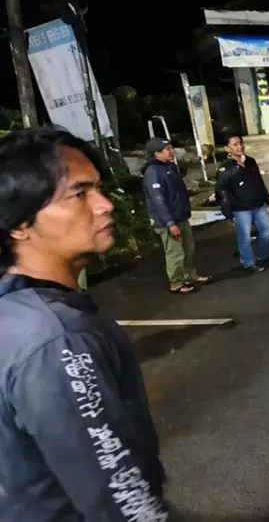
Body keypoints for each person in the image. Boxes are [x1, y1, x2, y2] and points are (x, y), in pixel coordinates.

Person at [0, 127, 173, 520]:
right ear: (18, 223)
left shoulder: (14, 308)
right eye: (79, 194)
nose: (105, 205)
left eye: (98, 188)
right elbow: (120, 499)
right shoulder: (58, 339)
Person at [142, 137, 210, 294]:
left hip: (179, 216)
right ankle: (176, 283)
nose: (172, 151)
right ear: (157, 154)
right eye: (168, 149)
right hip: (168, 220)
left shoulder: (168, 167)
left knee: (188, 248)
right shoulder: (153, 173)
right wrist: (170, 223)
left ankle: (190, 275)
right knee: (175, 252)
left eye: (172, 148)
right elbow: (159, 200)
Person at [215, 135, 269, 274]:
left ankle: (262, 256)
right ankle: (248, 262)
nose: (239, 146)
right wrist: (228, 213)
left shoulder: (250, 161)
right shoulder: (225, 170)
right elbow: (221, 192)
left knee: (266, 230)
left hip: (258, 205)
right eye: (235, 144)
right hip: (240, 209)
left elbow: (259, 183)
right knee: (245, 237)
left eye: (241, 143)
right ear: (227, 149)